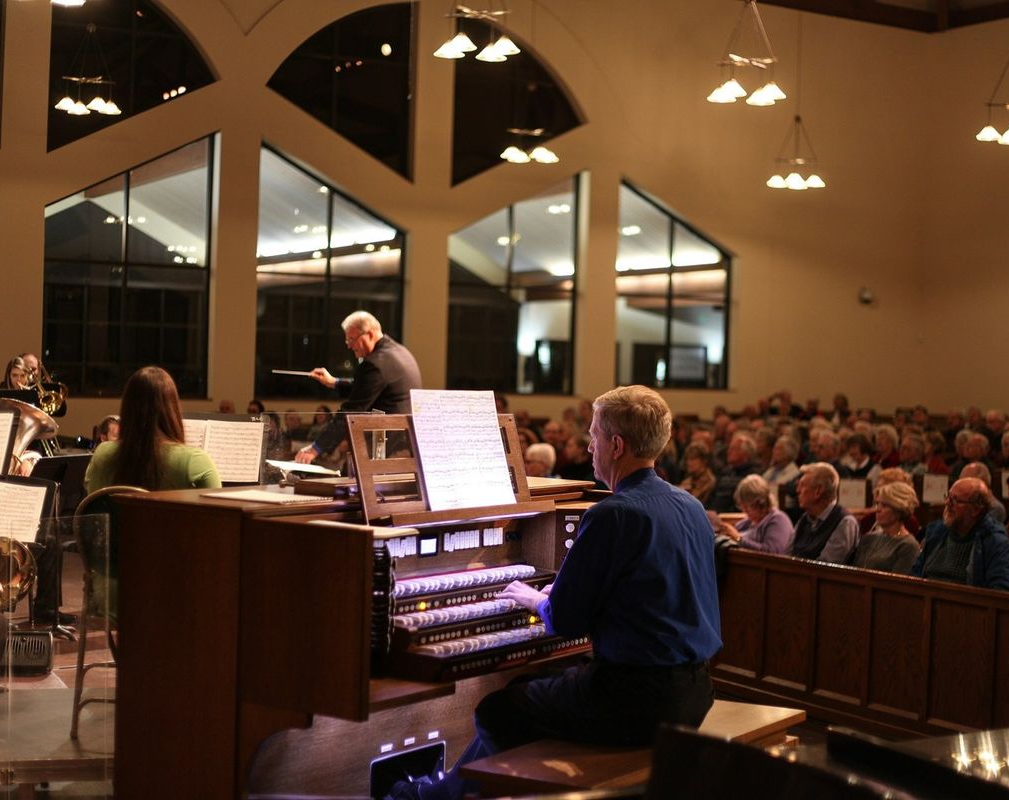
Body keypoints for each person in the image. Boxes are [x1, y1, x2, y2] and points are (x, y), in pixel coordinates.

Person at [387, 385, 721, 800]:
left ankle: (443, 797)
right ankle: (443, 791)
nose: (588, 444)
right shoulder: (689, 504)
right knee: (531, 686)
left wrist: (534, 598)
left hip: (635, 701)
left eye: (594, 435)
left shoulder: (613, 514)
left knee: (497, 711)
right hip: (695, 692)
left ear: (616, 446)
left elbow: (565, 619)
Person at [295, 311, 421, 464]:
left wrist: (316, 448)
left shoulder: (374, 364)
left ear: (368, 334)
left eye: (351, 339)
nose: (348, 345)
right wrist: (334, 382)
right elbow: (366, 388)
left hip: (387, 450)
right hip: (406, 444)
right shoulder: (400, 351)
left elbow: (350, 411)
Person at [85, 366, 221, 494]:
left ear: (127, 409)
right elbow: (218, 515)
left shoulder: (102, 454)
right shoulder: (195, 461)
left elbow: (92, 502)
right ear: (172, 409)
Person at [911, 477, 1009, 592]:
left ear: (976, 510)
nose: (947, 503)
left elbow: (1003, 591)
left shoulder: (994, 541)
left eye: (955, 500)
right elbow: (915, 573)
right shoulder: (937, 531)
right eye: (948, 497)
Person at [790, 462, 859, 563]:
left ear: (818, 491)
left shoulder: (844, 522)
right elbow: (786, 556)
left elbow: (825, 569)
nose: (797, 490)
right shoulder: (804, 519)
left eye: (802, 485)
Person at [851, 481, 920, 574]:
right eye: (877, 504)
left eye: (884, 505)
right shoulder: (869, 538)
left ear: (899, 509)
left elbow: (896, 585)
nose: (878, 509)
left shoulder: (908, 546)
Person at [714, 474, 794, 554]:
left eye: (747, 506)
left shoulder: (779, 520)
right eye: (742, 506)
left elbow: (773, 552)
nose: (744, 511)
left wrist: (738, 538)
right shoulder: (747, 522)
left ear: (761, 503)